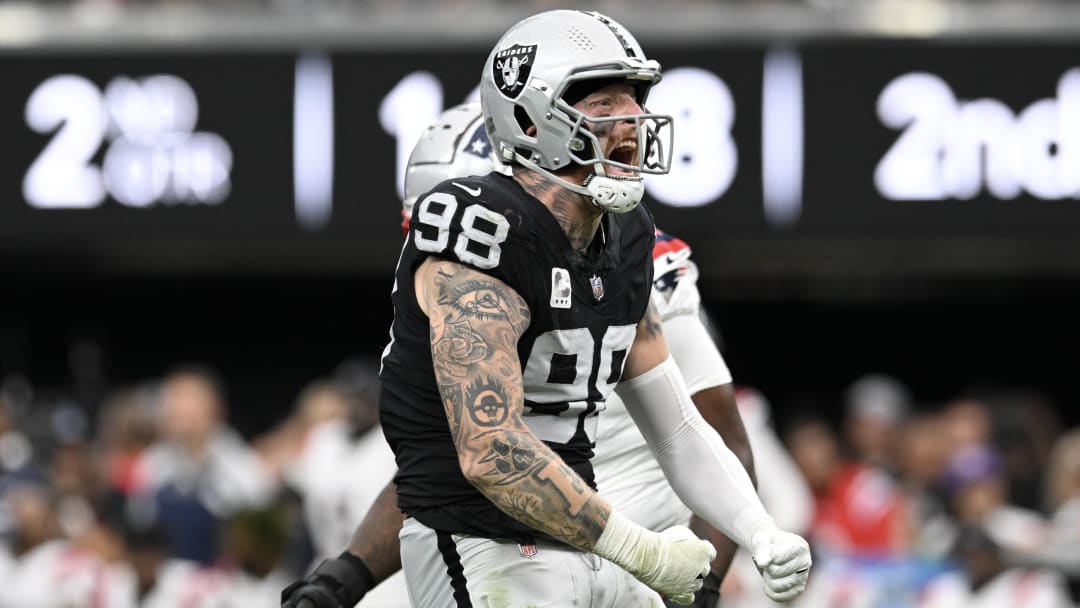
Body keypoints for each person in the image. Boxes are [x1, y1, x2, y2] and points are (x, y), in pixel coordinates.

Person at [284, 9, 810, 607]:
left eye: (631, 101)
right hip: (489, 545)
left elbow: (682, 429)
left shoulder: (628, 236)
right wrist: (645, 551)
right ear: (530, 122)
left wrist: (758, 530)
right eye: (603, 104)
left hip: (588, 540)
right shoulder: (479, 235)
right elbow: (492, 448)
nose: (631, 120)